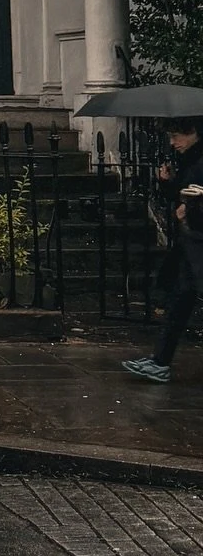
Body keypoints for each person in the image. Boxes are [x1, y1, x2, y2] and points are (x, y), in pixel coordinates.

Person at [122, 119, 203, 383]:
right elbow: (182, 194)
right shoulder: (191, 159)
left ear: (193, 133)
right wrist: (166, 182)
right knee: (179, 301)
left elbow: (194, 198)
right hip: (190, 244)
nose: (172, 142)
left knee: (182, 300)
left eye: (176, 135)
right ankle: (160, 362)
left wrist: (191, 207)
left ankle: (160, 362)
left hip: (197, 243)